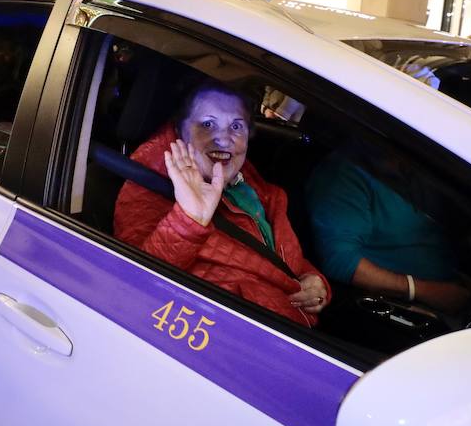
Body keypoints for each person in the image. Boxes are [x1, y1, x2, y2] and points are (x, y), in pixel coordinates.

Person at [113, 80, 331, 328]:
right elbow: (133, 287)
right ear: (180, 130)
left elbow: (270, 250)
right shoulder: (148, 186)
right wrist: (189, 220)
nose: (224, 140)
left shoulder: (243, 177)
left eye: (236, 126)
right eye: (207, 124)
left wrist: (313, 278)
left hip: (296, 327)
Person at [306, 147, 471, 312]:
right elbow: (339, 260)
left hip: (452, 290)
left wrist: (466, 285)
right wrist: (422, 290)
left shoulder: (412, 172)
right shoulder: (344, 174)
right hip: (406, 308)